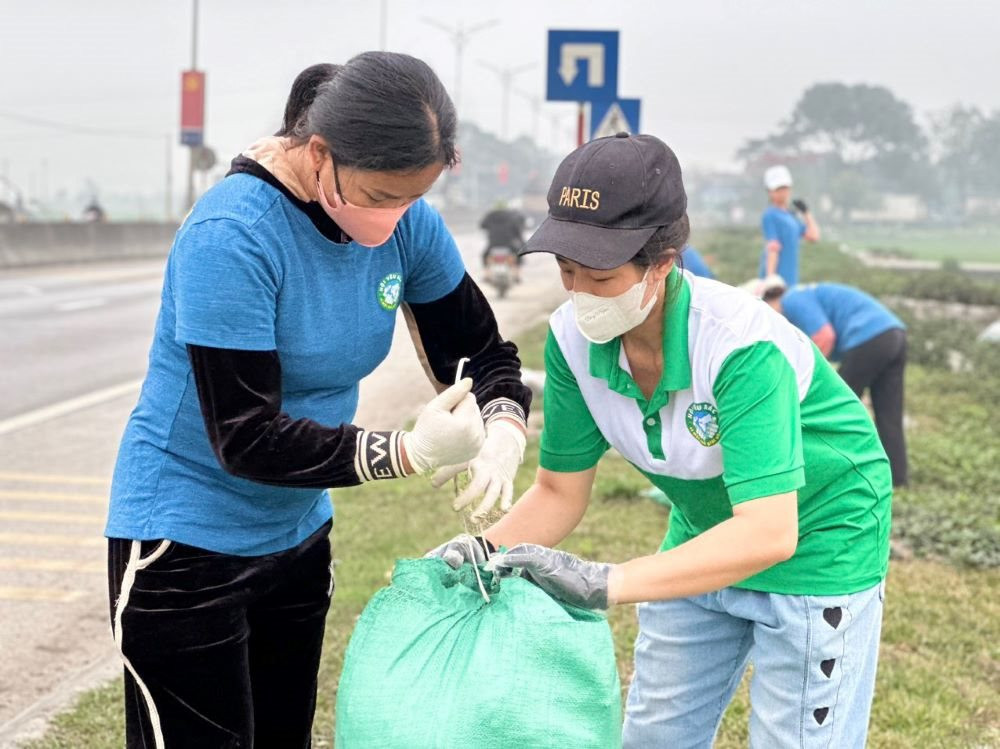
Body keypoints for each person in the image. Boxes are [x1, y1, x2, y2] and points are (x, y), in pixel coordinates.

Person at [105, 54, 531, 748]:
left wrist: (504, 421)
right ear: (321, 152)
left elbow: (482, 353)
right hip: (182, 545)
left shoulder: (407, 224)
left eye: (412, 197)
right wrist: (405, 451)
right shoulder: (233, 235)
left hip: (298, 535)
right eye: (379, 195)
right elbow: (244, 435)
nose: (394, 219)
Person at [431, 133, 892, 748]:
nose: (581, 293)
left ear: (665, 261)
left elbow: (769, 531)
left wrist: (608, 582)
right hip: (705, 529)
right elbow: (558, 491)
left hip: (818, 537)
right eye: (567, 271)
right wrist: (478, 553)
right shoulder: (572, 341)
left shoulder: (737, 347)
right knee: (655, 735)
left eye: (600, 274)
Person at [756, 275, 908, 487]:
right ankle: (898, 481)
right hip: (894, 334)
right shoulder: (806, 295)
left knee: (832, 410)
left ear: (767, 302)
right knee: (889, 415)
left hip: (868, 337)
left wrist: (812, 378)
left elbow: (825, 336)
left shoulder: (792, 299)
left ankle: (835, 474)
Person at [759, 164, 820, 286]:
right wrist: (770, 281)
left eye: (784, 188)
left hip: (790, 279)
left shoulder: (791, 217)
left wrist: (806, 213)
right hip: (776, 280)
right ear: (769, 191)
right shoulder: (770, 215)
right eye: (777, 189)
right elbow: (773, 249)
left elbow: (814, 237)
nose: (782, 192)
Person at [480, 201, 527, 282]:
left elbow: (482, 225)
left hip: (493, 244)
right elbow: (517, 231)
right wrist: (522, 243)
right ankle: (517, 275)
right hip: (508, 244)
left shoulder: (490, 215)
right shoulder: (512, 216)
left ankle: (487, 275)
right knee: (519, 255)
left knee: (484, 255)